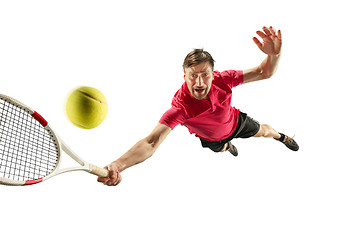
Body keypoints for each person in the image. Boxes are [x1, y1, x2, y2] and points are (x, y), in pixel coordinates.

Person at [98, 26, 299, 186]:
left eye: (205, 75)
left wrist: (274, 55)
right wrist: (118, 165)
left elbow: (264, 73)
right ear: (184, 77)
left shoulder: (224, 79)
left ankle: (282, 137)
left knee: (264, 132)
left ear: (213, 74)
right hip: (211, 139)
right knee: (221, 148)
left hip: (236, 123)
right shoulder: (181, 107)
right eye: (193, 76)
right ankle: (227, 146)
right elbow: (151, 142)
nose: (199, 83)